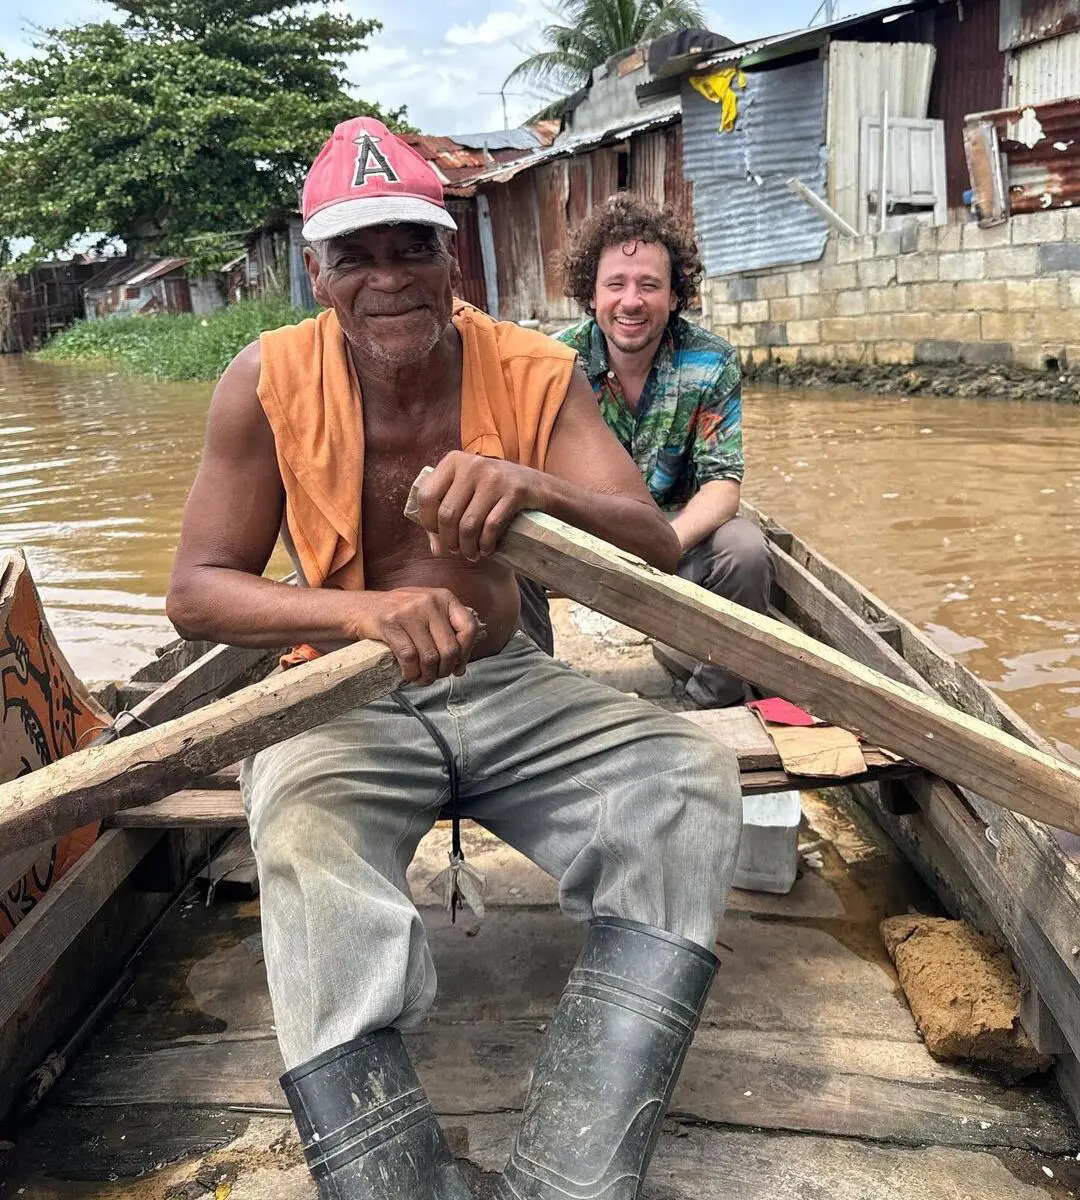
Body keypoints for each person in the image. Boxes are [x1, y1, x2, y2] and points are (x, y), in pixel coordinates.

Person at [167, 117, 743, 1200]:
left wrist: (533, 487)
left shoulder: (529, 368)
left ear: (452, 259)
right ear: (316, 272)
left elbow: (655, 541)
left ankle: (572, 1176)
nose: (388, 279)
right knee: (298, 829)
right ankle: (395, 1182)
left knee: (686, 780)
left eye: (411, 247)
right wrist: (362, 615)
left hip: (504, 672)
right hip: (341, 692)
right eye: (356, 254)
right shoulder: (263, 378)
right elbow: (196, 590)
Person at [521, 193, 774, 709]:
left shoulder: (712, 362)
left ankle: (713, 704)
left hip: (675, 537)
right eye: (615, 284)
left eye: (649, 285)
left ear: (676, 296)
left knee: (747, 550)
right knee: (505, 544)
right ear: (590, 295)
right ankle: (538, 702)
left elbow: (722, 485)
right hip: (581, 539)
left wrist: (661, 544)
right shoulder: (551, 363)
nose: (631, 301)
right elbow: (527, 473)